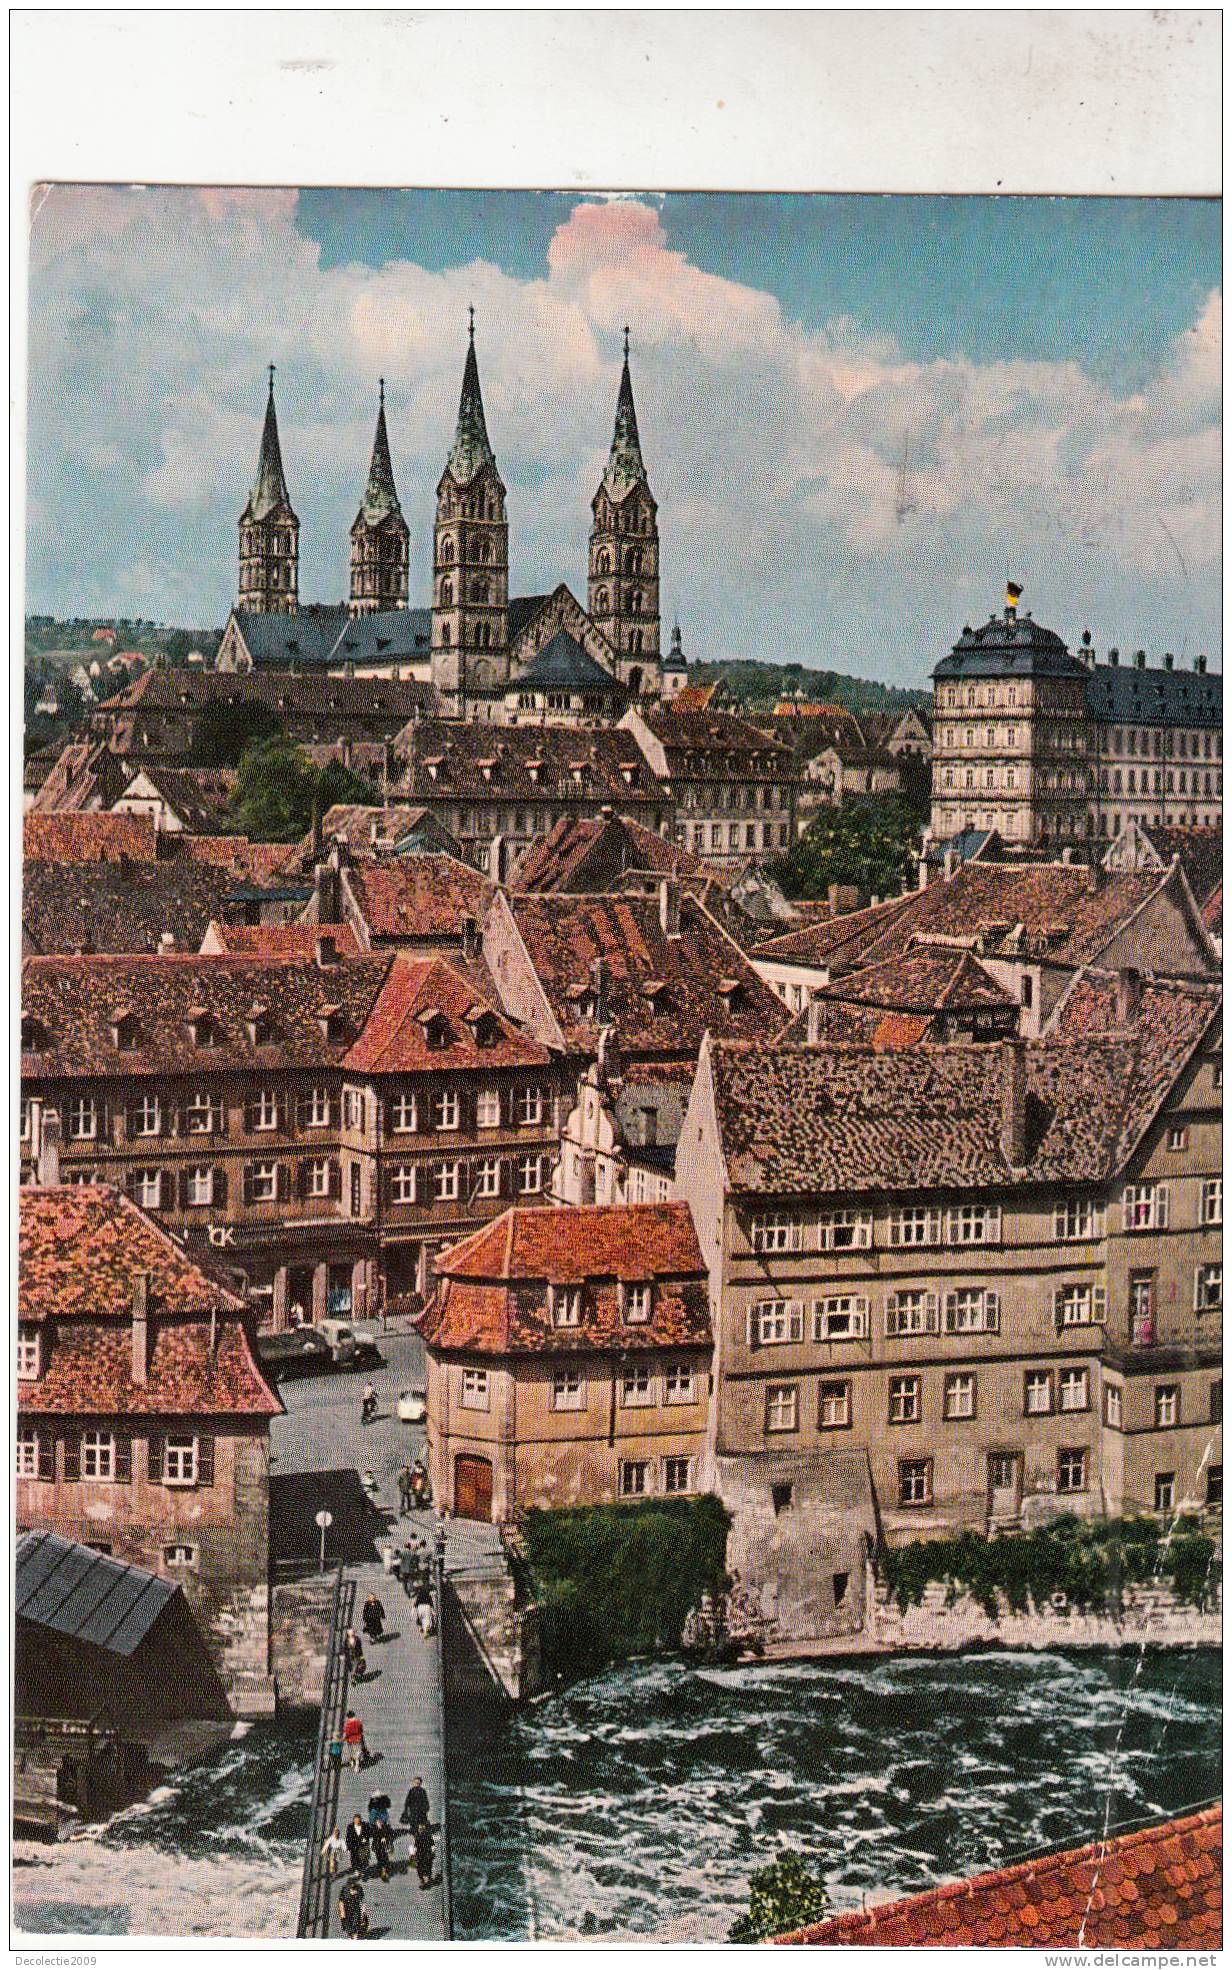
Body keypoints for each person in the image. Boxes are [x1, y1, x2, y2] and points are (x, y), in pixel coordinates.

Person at [338, 1874, 368, 1940]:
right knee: (348, 1928)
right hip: (347, 1910)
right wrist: (342, 1917)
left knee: (356, 1926)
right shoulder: (344, 1890)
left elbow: (363, 1902)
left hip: (356, 1910)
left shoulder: (359, 1889)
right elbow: (341, 1903)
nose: (353, 1892)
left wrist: (363, 1914)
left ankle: (355, 1937)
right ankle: (352, 1937)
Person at [344, 1812, 371, 1877]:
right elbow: (348, 1837)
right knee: (354, 1859)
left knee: (363, 1859)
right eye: (355, 1820)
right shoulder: (350, 1827)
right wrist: (348, 1846)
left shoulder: (365, 1825)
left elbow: (369, 1833)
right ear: (353, 1820)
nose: (357, 1822)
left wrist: (366, 1838)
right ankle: (356, 1870)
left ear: (360, 1820)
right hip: (354, 1846)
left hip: (363, 1845)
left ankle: (362, 1869)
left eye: (358, 1820)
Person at [370, 1819, 394, 1884]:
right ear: (376, 1824)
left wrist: (385, 1838)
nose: (379, 1824)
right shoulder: (374, 1829)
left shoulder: (385, 1828)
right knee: (380, 1860)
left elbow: (390, 1835)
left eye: (380, 1822)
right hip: (377, 1847)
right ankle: (382, 1872)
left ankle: (384, 1872)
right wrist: (381, 1838)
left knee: (385, 1859)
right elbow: (375, 1837)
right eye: (377, 1823)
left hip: (384, 1847)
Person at [414, 1818, 435, 1891]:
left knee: (420, 1868)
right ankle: (427, 1880)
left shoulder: (418, 1836)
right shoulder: (428, 1836)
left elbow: (415, 1847)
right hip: (427, 1854)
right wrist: (433, 1853)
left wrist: (412, 1854)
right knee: (427, 1867)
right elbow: (433, 1846)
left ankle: (423, 1881)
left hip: (421, 1854)